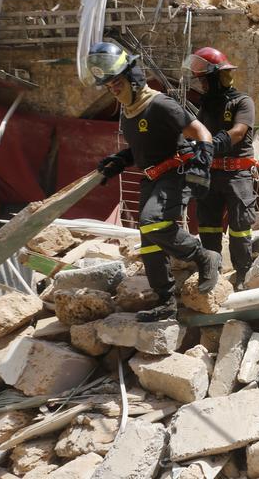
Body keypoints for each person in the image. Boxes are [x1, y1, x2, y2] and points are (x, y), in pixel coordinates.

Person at [86, 41, 222, 321]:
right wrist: (121, 160)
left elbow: (203, 133)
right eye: (109, 86)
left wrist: (202, 164)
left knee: (154, 222)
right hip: (151, 179)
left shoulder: (160, 104)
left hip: (174, 172)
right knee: (149, 244)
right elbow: (140, 150)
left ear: (133, 78)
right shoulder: (129, 113)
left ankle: (204, 256)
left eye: (117, 83)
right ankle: (166, 302)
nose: (113, 89)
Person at [184, 47, 258, 290]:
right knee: (207, 226)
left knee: (239, 229)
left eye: (205, 79)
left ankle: (242, 277)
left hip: (237, 174)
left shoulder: (242, 101)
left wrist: (211, 143)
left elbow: (238, 132)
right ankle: (212, 273)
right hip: (211, 173)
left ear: (217, 77)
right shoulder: (207, 106)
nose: (202, 85)